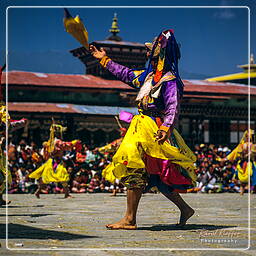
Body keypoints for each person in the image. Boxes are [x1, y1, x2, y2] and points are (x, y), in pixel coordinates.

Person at [90, 29, 197, 229]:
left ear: (161, 53)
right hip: (141, 126)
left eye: (152, 48)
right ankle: (184, 209)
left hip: (155, 128)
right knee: (153, 175)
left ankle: (130, 219)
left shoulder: (169, 80)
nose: (148, 52)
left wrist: (166, 127)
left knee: (139, 167)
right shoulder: (148, 77)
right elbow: (126, 74)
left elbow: (173, 106)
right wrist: (104, 59)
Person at [29, 123, 82, 198]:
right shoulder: (57, 141)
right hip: (56, 162)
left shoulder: (51, 141)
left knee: (46, 178)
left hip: (51, 161)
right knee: (63, 176)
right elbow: (66, 145)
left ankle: (38, 191)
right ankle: (66, 194)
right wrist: (75, 142)